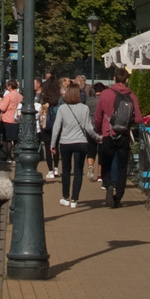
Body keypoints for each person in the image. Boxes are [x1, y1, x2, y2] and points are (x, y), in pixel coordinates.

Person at [92, 73, 140, 208]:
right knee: (122, 166)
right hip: (124, 135)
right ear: (127, 80)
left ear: (114, 78)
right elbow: (138, 119)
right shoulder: (132, 96)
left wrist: (98, 129)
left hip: (108, 134)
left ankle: (108, 184)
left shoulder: (105, 94)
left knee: (106, 162)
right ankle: (118, 197)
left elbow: (98, 116)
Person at [49, 77, 98, 207]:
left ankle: (65, 197)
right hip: (81, 142)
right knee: (78, 171)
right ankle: (74, 199)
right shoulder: (84, 108)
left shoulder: (62, 109)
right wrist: (97, 137)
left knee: (65, 170)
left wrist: (53, 144)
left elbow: (57, 127)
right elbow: (88, 127)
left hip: (65, 143)